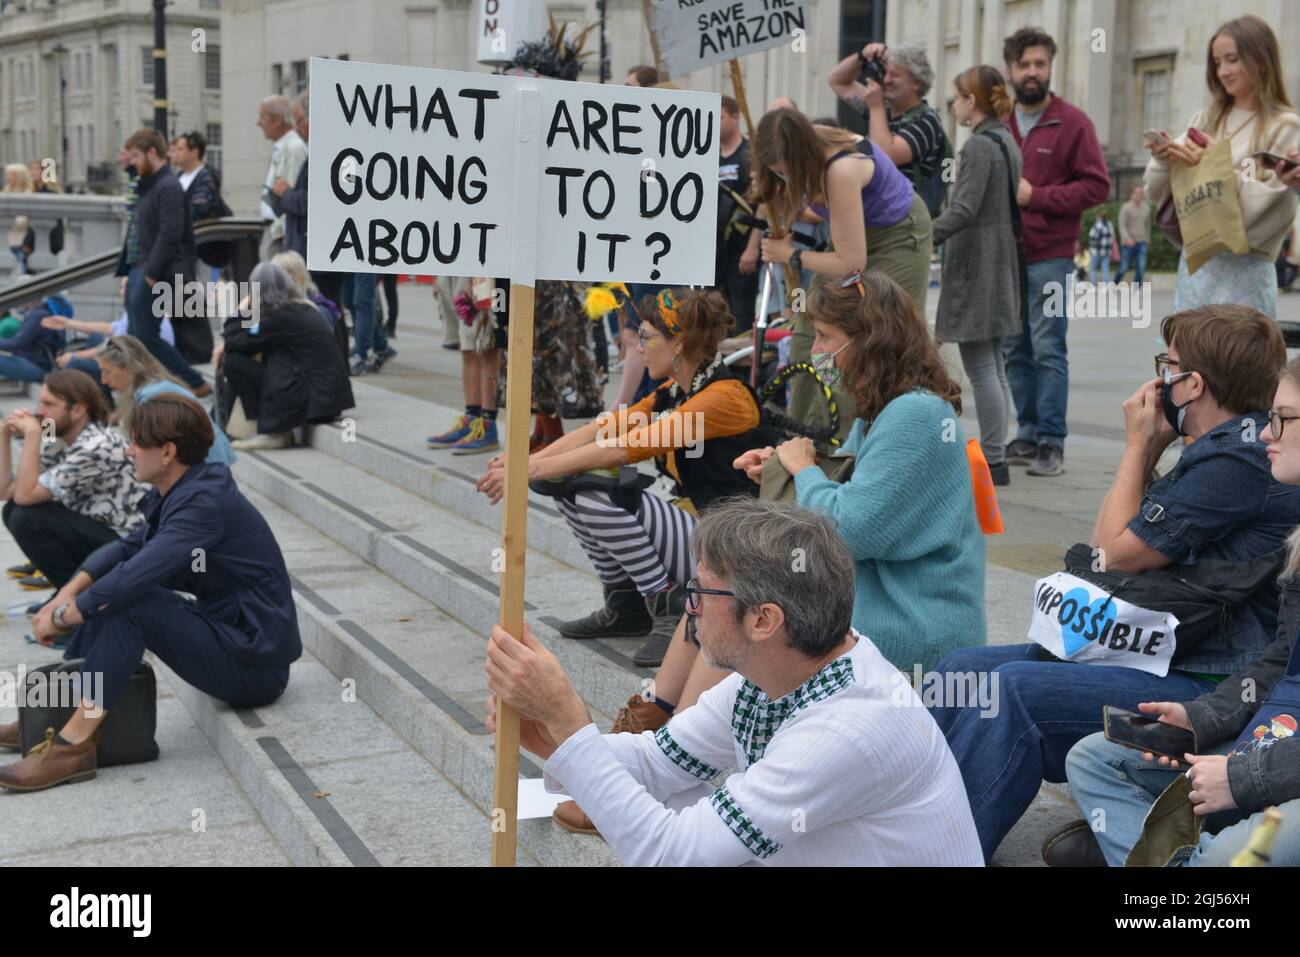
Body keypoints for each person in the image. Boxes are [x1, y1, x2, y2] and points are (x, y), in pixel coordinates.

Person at [930, 304, 1300, 863]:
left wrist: (1136, 446)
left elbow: (1110, 556)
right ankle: (906, 822)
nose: (1156, 381)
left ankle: (940, 852)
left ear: (1191, 383)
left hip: (1204, 675)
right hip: (1162, 654)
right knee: (963, 669)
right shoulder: (1226, 448)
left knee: (1008, 692)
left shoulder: (1240, 459)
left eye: (1166, 365)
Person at [484, 497, 984, 866]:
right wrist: (558, 741)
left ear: (764, 621)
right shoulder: (781, 672)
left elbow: (672, 855)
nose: (690, 606)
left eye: (701, 591)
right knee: (683, 796)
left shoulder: (846, 729)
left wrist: (572, 729)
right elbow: (659, 762)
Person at [1057, 354, 1300, 867]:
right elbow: (1283, 661)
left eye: (1282, 418)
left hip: (1280, 760)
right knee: (1097, 759)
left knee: (1220, 863)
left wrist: (1241, 779)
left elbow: (1116, 553)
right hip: (1272, 736)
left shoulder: (1232, 469)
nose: (1262, 434)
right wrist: (1200, 718)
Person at [0, 394, 301, 791]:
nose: (128, 450)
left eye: (136, 442)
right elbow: (127, 548)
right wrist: (66, 594)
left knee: (129, 603)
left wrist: (64, 617)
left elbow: (139, 572)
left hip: (254, 666)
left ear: (167, 452)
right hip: (230, 637)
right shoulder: (184, 488)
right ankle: (55, 710)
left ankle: (73, 747)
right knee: (111, 594)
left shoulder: (203, 503)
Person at [476, 288, 769, 668]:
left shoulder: (725, 397)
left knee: (597, 491)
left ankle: (667, 605)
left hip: (738, 550)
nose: (638, 348)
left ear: (678, 343)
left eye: (645, 338)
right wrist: (525, 461)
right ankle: (626, 606)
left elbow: (625, 448)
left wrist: (528, 468)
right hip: (704, 532)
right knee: (564, 483)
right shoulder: (673, 392)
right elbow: (603, 430)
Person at [736, 271, 985, 673]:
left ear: (869, 340)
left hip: (908, 630)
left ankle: (671, 723)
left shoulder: (915, 414)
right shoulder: (884, 411)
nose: (815, 350)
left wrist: (802, 471)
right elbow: (844, 485)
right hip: (889, 616)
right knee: (729, 608)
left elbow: (850, 529)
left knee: (741, 618)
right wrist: (781, 468)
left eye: (824, 336)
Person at [1000, 26, 1110, 479]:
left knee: (1048, 347)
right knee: (1012, 347)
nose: (1032, 72)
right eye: (1024, 64)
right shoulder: (1000, 124)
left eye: (1040, 64)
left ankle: (1051, 440)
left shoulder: (1073, 122)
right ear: (1011, 68)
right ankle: (1025, 431)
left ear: (1050, 68)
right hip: (1005, 257)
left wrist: (1038, 197)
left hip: (1051, 255)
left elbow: (1098, 186)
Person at [1143, 15, 1300, 319]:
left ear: (1261, 59)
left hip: (1247, 273)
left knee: (1237, 361)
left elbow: (1266, 213)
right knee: (1187, 361)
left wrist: (1218, 165)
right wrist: (1165, 157)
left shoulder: (1285, 127)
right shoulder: (1206, 119)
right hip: (1196, 267)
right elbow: (1154, 190)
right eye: (1217, 62)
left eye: (1232, 60)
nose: (1223, 71)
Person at [932, 65, 1023, 487]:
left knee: (982, 368)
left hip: (977, 267)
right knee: (996, 366)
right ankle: (997, 452)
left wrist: (923, 233)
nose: (954, 104)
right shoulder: (1006, 139)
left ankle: (992, 459)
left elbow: (964, 209)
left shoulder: (978, 147)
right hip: (999, 262)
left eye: (958, 96)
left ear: (974, 102)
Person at [0, 369, 148, 591]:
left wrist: (32, 435)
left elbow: (24, 495)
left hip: (128, 543)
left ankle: (74, 598)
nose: (40, 412)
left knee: (25, 517)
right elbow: (6, 492)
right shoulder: (56, 432)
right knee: (12, 510)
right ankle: (68, 592)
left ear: (78, 409)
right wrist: (4, 436)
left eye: (49, 405)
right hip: (96, 529)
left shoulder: (96, 446)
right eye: (40, 403)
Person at [215, 261, 354, 451]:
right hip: (327, 399)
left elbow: (234, 341)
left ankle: (274, 432)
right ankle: (266, 427)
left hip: (317, 400)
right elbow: (245, 336)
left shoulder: (279, 317)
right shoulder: (299, 308)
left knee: (235, 363)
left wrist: (241, 309)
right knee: (260, 357)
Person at [119, 129, 209, 395]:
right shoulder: (151, 184)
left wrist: (151, 272)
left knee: (145, 336)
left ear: (151, 153)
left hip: (153, 271)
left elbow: (171, 233)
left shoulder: (168, 186)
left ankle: (194, 383)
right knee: (135, 338)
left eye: (135, 155)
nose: (132, 161)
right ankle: (143, 391)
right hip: (141, 268)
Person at [828, 41, 950, 217]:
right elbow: (837, 81)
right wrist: (862, 56)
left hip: (908, 222)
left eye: (895, 75)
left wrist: (876, 107)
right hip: (880, 216)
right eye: (886, 73)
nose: (886, 80)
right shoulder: (881, 110)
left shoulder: (927, 120)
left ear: (916, 83)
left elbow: (885, 154)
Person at [95, 335, 235, 465]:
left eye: (107, 371)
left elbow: (157, 460)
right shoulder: (153, 387)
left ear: (130, 367)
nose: (103, 380)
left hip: (202, 474)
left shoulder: (152, 399)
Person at [426, 277, 502, 455]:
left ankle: (487, 424)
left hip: (481, 268)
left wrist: (477, 276)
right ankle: (472, 418)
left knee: (486, 343)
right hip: (455, 264)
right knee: (466, 346)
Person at [715, 95, 759, 334]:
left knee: (741, 310)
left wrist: (752, 247)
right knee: (715, 308)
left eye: (720, 117)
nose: (714, 123)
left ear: (735, 118)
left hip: (741, 247)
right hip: (714, 250)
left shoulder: (748, 154)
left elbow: (760, 203)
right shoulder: (707, 154)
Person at [256, 95, 308, 262]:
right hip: (275, 232)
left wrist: (282, 236)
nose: (258, 123)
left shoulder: (294, 148)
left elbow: (293, 194)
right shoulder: (282, 147)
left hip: (281, 236)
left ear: (277, 119)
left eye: (262, 116)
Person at [0, 291, 66, 383]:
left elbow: (17, 343)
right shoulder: (38, 313)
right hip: (33, 363)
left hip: (38, 367)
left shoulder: (38, 315)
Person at [1115, 186, 1150, 284]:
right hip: (1128, 243)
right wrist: (1127, 238)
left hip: (1142, 242)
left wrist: (1147, 240)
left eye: (1141, 194)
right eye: (1137, 193)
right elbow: (1122, 225)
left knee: (1141, 267)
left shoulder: (1146, 208)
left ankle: (1136, 289)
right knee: (1124, 267)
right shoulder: (1126, 208)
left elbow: (1147, 226)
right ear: (1132, 195)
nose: (1139, 196)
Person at [1086, 209, 1114, 284]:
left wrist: (1091, 249)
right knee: (1105, 268)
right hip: (1107, 250)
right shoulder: (1109, 224)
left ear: (1098, 217)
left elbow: (1093, 237)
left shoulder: (1097, 225)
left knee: (1092, 268)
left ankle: (1093, 285)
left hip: (1097, 250)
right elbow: (1112, 237)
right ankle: (1106, 285)